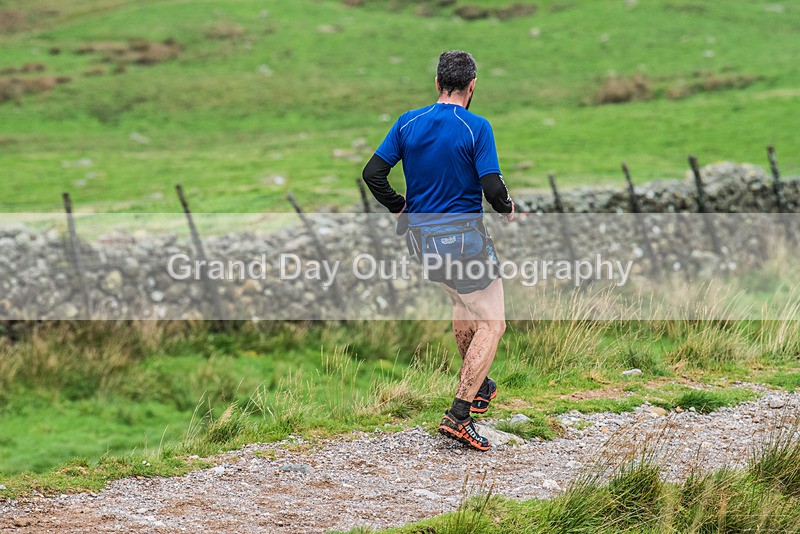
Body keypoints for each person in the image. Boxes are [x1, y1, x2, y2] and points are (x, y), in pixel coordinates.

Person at [362, 50, 517, 451]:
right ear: (472, 86)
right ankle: (459, 414)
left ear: (436, 83)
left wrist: (399, 206)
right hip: (464, 240)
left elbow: (373, 174)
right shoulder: (475, 127)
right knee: (493, 323)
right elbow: (493, 186)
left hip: (421, 240)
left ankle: (478, 386)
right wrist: (507, 209)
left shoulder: (407, 122)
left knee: (464, 308)